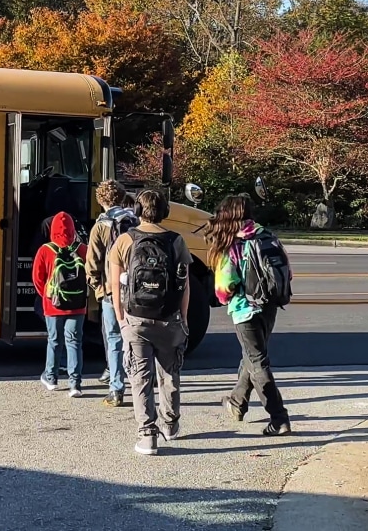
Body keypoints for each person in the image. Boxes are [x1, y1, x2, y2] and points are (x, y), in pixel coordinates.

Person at [109, 190, 191, 455]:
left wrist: (121, 319)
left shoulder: (124, 240)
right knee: (169, 374)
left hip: (136, 319)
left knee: (140, 378)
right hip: (168, 319)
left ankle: (147, 435)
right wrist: (184, 318)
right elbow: (184, 285)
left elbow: (114, 284)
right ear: (165, 211)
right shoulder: (177, 241)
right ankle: (170, 424)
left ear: (137, 211)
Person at [207, 194, 292, 436]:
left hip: (246, 310)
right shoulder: (267, 236)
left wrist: (226, 298)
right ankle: (237, 403)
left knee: (257, 362)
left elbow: (224, 288)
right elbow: (287, 270)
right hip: (270, 304)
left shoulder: (232, 244)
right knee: (253, 356)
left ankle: (279, 417)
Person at [87, 180, 138, 407]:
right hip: (136, 291)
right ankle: (140, 385)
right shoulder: (135, 222)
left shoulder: (100, 227)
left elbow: (92, 264)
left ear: (101, 201)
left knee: (114, 340)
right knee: (137, 340)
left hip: (111, 292)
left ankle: (116, 389)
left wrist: (99, 290)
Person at [32, 211, 89, 397]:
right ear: (72, 229)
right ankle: (75, 384)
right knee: (74, 342)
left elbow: (37, 278)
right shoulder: (82, 249)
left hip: (53, 304)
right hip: (78, 305)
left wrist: (46, 297)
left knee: (54, 341)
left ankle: (51, 378)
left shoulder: (45, 250)